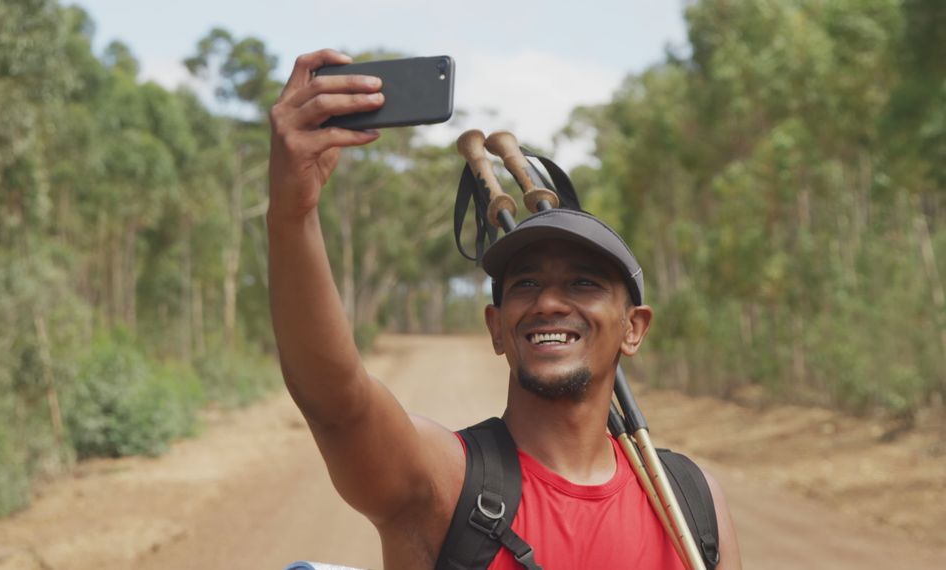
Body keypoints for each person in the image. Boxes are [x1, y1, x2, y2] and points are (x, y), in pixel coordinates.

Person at [268, 48, 742, 570]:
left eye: (583, 284)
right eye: (526, 284)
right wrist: (294, 212)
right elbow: (336, 403)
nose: (549, 303)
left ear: (635, 327)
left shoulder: (695, 506)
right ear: (496, 328)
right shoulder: (443, 483)